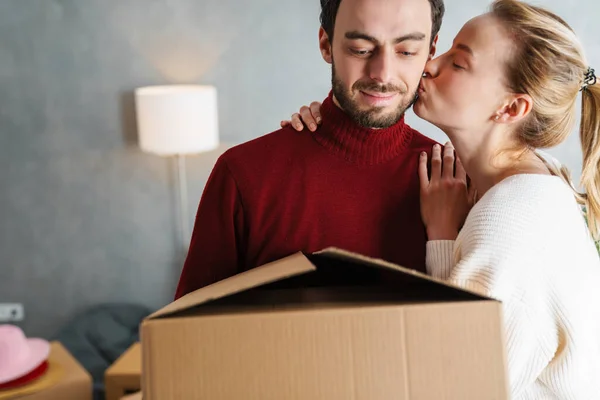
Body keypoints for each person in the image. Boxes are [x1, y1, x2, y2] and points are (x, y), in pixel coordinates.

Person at [285, 0, 600, 398]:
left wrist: (441, 240)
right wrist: (331, 123)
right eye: (446, 49)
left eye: (459, 63)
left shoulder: (514, 219)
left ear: (512, 107)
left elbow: (448, 385)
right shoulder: (532, 179)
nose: (430, 65)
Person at [174, 0, 446, 299]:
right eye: (360, 49)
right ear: (326, 44)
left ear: (430, 52)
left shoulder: (453, 181)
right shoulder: (244, 173)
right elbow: (186, 335)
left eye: (406, 51)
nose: (382, 74)